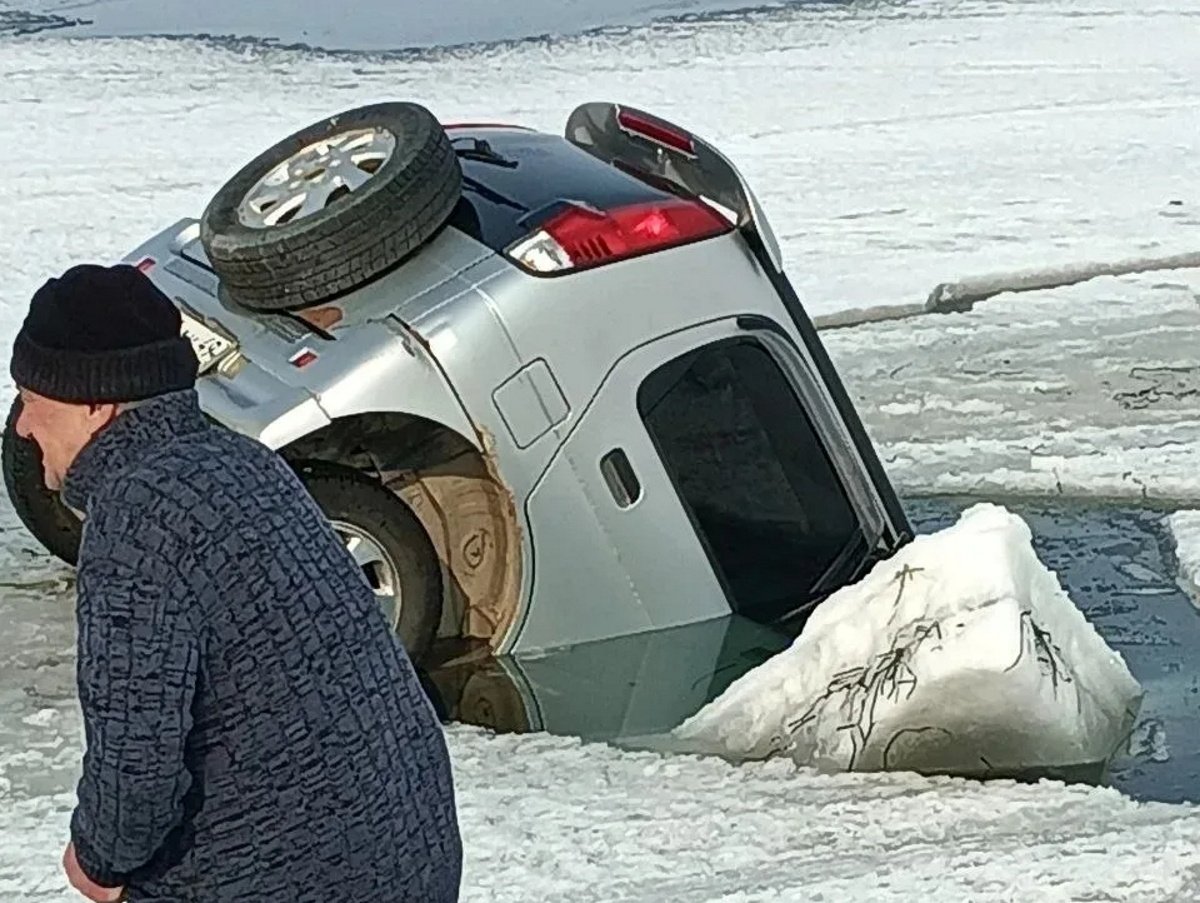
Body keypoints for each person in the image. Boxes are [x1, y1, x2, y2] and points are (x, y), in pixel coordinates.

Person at [9, 263, 463, 902]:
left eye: (31, 399)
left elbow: (136, 775)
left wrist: (97, 859)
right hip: (407, 855)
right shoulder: (245, 463)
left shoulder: (139, 516)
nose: (23, 427)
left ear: (94, 400)